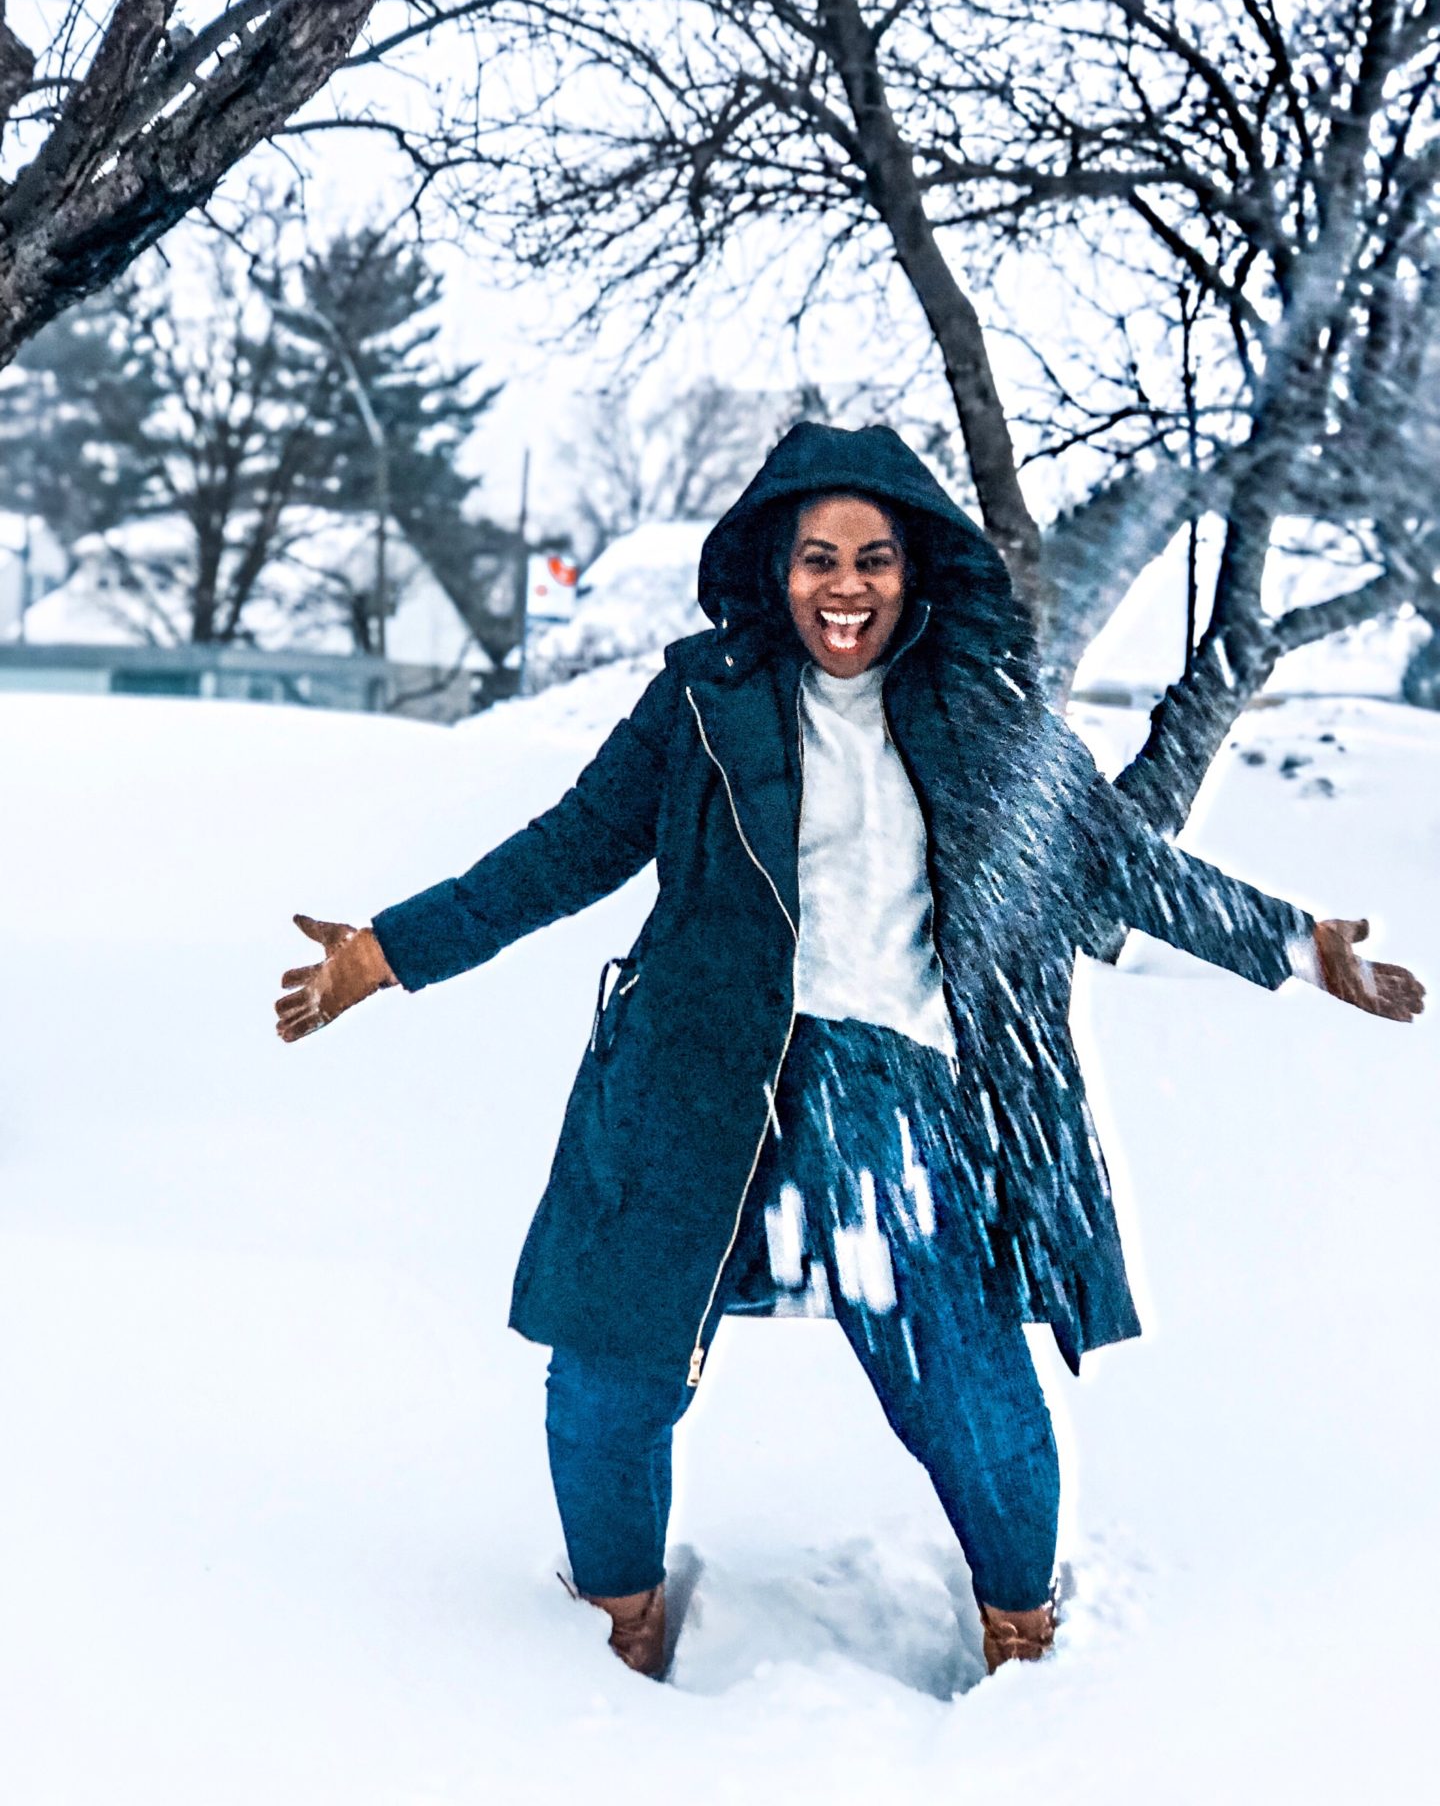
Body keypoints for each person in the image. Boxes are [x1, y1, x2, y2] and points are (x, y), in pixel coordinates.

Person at [274, 424, 1424, 1681]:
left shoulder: (986, 714)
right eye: (818, 556)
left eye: (873, 557)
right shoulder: (702, 704)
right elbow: (564, 851)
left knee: (964, 1378)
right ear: (776, 566)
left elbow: (1122, 862)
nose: (845, 585)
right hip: (694, 1077)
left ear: (914, 569)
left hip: (898, 1093)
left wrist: (1302, 946)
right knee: (611, 1361)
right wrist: (384, 954)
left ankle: (1019, 1623)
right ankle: (618, 1620)